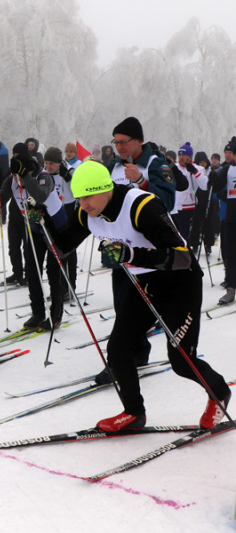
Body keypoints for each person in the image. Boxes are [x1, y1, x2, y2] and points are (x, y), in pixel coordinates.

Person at [40, 160, 231, 431]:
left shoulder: (142, 207)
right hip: (144, 284)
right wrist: (43, 220)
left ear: (105, 188)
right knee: (118, 349)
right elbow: (62, 249)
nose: (83, 204)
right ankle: (133, 413)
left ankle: (219, 392)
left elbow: (183, 258)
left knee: (181, 360)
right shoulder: (88, 213)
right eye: (79, 198)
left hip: (180, 284)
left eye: (88, 196)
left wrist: (130, 254)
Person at [94, 117, 178, 384]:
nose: (118, 147)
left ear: (138, 141)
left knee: (137, 306)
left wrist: (142, 181)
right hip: (120, 249)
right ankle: (136, 352)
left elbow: (167, 201)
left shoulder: (156, 164)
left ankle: (125, 356)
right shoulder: (113, 167)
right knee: (123, 304)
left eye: (124, 141)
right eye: (115, 142)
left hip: (146, 251)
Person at [1, 143, 67, 330]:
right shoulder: (13, 180)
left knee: (53, 273)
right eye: (15, 176)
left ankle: (55, 315)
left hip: (55, 229)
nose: (17, 180)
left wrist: (26, 177)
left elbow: (39, 196)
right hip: (35, 230)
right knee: (32, 271)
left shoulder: (44, 177)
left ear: (29, 171)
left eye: (20, 176)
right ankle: (38, 313)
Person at [44, 146, 77, 297]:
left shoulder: (68, 171)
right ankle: (58, 287)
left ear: (59, 163)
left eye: (52, 163)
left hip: (68, 211)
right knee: (55, 253)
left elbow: (79, 191)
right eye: (46, 163)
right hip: (52, 215)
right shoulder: (44, 174)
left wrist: (70, 179)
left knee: (68, 252)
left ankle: (70, 287)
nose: (48, 166)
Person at [208, 136, 236, 304]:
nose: (229, 156)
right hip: (231, 218)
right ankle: (231, 288)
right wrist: (212, 179)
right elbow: (217, 187)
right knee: (230, 254)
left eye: (231, 152)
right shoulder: (227, 169)